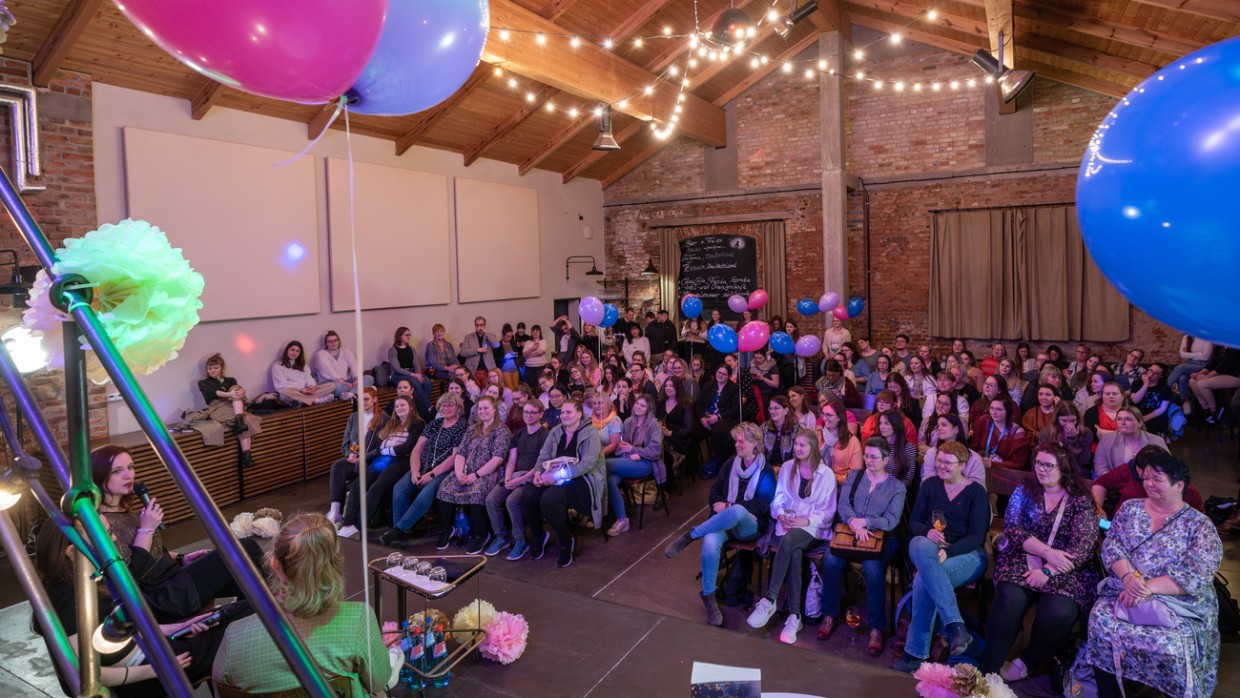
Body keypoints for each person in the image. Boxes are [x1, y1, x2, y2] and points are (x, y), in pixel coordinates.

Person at [36, 520, 242, 697]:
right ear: (72, 552)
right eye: (105, 534)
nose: (115, 539)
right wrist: (158, 668)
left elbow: (125, 631)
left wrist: (179, 628)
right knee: (238, 628)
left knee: (237, 614)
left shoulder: (91, 580)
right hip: (139, 677)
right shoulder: (70, 599)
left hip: (146, 654)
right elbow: (84, 674)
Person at [1081, 452, 1222, 698]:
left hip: (1177, 601)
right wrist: (1128, 579)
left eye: (1157, 479)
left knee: (1171, 643)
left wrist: (1145, 588)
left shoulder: (1199, 525)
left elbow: (1196, 574)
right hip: (1124, 588)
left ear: (1179, 485)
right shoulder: (1130, 509)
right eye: (1146, 478)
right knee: (1101, 623)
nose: (1148, 484)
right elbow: (1113, 545)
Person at [213, 514, 390, 696]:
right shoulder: (359, 619)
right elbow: (379, 680)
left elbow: (222, 689)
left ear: (274, 562)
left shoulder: (234, 636)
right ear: (335, 563)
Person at [92, 445, 265, 622]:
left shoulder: (125, 510)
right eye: (117, 471)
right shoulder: (103, 522)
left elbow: (154, 551)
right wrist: (147, 529)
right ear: (99, 477)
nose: (128, 475)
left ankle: (255, 622)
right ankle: (275, 612)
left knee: (245, 579)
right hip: (164, 595)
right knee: (246, 548)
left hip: (174, 577)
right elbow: (129, 575)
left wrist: (182, 558)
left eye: (130, 467)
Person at [981, 444, 1101, 681]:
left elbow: (1083, 547)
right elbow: (1013, 529)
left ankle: (1028, 662)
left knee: (1058, 612)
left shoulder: (1080, 499)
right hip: (1025, 557)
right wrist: (1047, 552)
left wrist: (1048, 569)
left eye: (1048, 465)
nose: (1041, 469)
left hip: (1067, 568)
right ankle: (989, 669)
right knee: (1008, 597)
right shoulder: (1025, 489)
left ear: (1063, 468)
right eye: (1038, 463)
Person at [891, 441, 990, 673]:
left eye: (948, 462)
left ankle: (914, 654)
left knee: (923, 579)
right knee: (917, 542)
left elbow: (977, 536)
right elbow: (914, 522)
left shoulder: (976, 493)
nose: (941, 466)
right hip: (930, 550)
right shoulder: (930, 485)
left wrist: (950, 551)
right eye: (939, 461)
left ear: (963, 465)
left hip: (967, 554)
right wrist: (928, 531)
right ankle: (956, 627)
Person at [664, 423, 777, 627]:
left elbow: (761, 506)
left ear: (756, 444)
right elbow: (713, 495)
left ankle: (692, 534)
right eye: (736, 439)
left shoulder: (766, 471)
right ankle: (710, 599)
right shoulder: (730, 465)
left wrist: (728, 505)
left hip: (749, 527)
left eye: (742, 440)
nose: (738, 443)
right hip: (724, 524)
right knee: (710, 540)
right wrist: (725, 505)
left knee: (737, 511)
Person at [747, 429, 837, 644]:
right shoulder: (788, 468)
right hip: (788, 525)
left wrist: (804, 521)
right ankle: (795, 617)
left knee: (790, 542)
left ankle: (769, 599)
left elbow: (828, 512)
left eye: (802, 445)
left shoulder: (827, 475)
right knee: (794, 552)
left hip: (814, 528)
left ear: (813, 448)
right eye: (796, 444)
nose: (797, 448)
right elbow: (778, 499)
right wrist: (780, 514)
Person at [818, 437, 906, 655]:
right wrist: (853, 523)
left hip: (882, 536)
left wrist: (866, 523)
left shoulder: (897, 487)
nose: (869, 460)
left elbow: (892, 519)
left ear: (886, 459)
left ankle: (876, 627)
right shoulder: (855, 476)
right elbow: (844, 504)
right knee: (830, 559)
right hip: (850, 531)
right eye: (866, 455)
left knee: (873, 568)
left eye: (874, 457)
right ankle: (829, 613)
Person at [380, 393, 470, 547]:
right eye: (443, 405)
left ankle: (398, 530)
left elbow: (454, 457)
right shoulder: (434, 424)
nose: (446, 408)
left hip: (444, 470)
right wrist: (415, 471)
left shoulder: (462, 426)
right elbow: (417, 450)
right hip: (423, 465)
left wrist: (432, 474)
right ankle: (399, 537)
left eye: (450, 405)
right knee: (400, 488)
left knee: (427, 492)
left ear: (459, 408)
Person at [527, 398, 606, 567]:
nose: (564, 415)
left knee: (550, 498)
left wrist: (557, 477)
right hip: (555, 476)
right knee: (529, 496)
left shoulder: (591, 433)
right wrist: (538, 473)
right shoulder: (555, 431)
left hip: (583, 480)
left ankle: (565, 542)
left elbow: (587, 464)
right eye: (562, 412)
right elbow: (544, 456)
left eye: (569, 412)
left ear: (579, 414)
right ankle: (539, 536)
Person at [336, 395, 425, 539]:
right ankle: (347, 523)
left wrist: (386, 450)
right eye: (397, 407)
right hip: (383, 459)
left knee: (377, 487)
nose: (399, 408)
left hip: (402, 461)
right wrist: (384, 451)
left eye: (402, 405)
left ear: (411, 407)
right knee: (357, 485)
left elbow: (408, 447)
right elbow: (378, 442)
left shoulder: (417, 423)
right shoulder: (392, 423)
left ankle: (358, 526)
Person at [436, 395, 512, 554]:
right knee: (445, 487)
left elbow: (497, 459)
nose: (482, 411)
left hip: (489, 473)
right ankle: (446, 529)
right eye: (480, 408)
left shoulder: (501, 430)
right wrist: (458, 473)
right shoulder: (472, 428)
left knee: (477, 491)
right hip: (466, 471)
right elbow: (461, 453)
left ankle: (481, 534)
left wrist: (476, 475)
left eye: (486, 408)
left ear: (494, 410)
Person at [483, 398, 550, 559]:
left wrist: (519, 480)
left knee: (512, 501)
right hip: (514, 475)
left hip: (532, 477)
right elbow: (512, 459)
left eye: (533, 412)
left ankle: (521, 540)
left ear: (540, 414)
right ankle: (502, 536)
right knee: (491, 499)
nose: (528, 415)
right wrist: (507, 478)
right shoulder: (519, 434)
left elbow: (540, 465)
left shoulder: (545, 435)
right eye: (526, 412)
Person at [325, 388, 388, 530]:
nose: (363, 402)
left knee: (363, 467)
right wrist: (349, 454)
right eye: (361, 399)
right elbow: (345, 443)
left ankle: (355, 516)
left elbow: (382, 447)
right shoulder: (353, 417)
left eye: (366, 399)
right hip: (355, 458)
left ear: (374, 399)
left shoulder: (384, 418)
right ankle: (335, 510)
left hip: (373, 461)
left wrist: (365, 457)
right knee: (338, 466)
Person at [604, 394, 664, 535]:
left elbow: (655, 451)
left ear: (649, 409)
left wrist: (636, 450)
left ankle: (595, 508)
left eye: (643, 406)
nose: (638, 407)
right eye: (637, 404)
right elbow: (620, 446)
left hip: (647, 463)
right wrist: (629, 453)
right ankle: (622, 520)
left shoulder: (653, 425)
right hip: (628, 460)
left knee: (604, 463)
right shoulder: (628, 422)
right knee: (610, 481)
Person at [196, 353, 261, 469]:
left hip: (232, 405)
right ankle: (246, 451)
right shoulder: (203, 383)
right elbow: (214, 393)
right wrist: (230, 394)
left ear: (222, 368)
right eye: (209, 368)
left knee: (236, 389)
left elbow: (236, 393)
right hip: (217, 407)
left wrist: (242, 391)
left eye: (215, 368)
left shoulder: (230, 380)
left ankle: (246, 453)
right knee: (246, 420)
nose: (212, 370)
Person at [1093, 406, 1168, 478]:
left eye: (1128, 419)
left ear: (1139, 423)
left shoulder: (1157, 441)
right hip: (1116, 486)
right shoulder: (1106, 440)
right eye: (1119, 419)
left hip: (1150, 485)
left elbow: (1167, 467)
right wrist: (1116, 482)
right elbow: (1100, 467)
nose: (1122, 422)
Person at [921, 414, 986, 487]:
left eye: (944, 425)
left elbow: (978, 488)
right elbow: (927, 482)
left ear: (956, 429)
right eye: (938, 426)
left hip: (966, 496)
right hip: (937, 495)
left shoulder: (974, 458)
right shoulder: (932, 453)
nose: (939, 428)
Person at [970, 396, 1030, 471]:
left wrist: (993, 464)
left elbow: (1018, 463)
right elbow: (973, 447)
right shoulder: (984, 420)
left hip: (1004, 471)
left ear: (1008, 411)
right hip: (980, 465)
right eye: (991, 408)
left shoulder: (1018, 433)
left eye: (999, 409)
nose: (994, 412)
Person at [697, 364, 741, 466]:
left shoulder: (734, 388)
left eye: (724, 374)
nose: (720, 375)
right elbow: (698, 405)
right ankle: (694, 465)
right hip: (707, 417)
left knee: (719, 432)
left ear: (729, 376)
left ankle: (721, 463)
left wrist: (718, 417)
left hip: (725, 418)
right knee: (693, 429)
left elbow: (735, 410)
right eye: (719, 372)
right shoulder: (708, 385)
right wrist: (702, 417)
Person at [1038, 401, 1094, 477]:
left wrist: (1073, 440)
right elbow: (1045, 458)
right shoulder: (1046, 433)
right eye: (1064, 420)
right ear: (1057, 419)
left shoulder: (1086, 433)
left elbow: (1084, 460)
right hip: (1053, 473)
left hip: (1078, 473)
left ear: (1077, 419)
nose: (1069, 424)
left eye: (1072, 421)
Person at [271, 340, 337, 406]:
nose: (294, 353)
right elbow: (282, 386)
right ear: (287, 350)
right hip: (293, 392)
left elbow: (309, 378)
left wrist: (312, 387)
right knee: (285, 393)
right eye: (292, 350)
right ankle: (317, 400)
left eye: (297, 351)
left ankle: (310, 400)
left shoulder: (303, 365)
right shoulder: (277, 365)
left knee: (332, 385)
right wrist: (300, 390)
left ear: (300, 353)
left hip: (306, 392)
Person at [1188, 345, 1240, 424]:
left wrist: (1207, 376)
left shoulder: (1234, 347)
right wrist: (1199, 374)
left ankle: (1214, 411)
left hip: (1234, 376)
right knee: (1192, 381)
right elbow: (1212, 363)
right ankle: (1206, 410)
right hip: (1220, 374)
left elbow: (1225, 366)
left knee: (1202, 384)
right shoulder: (1220, 346)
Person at [658, 377, 696, 484]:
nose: (668, 388)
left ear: (678, 388)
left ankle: (667, 480)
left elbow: (688, 429)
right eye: (666, 386)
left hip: (679, 438)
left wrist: (671, 433)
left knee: (663, 451)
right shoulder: (660, 403)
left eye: (671, 386)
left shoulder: (685, 405)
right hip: (662, 436)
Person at [314, 330, 371, 401]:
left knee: (369, 378)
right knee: (337, 387)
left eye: (335, 340)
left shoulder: (346, 351)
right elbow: (329, 371)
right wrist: (343, 382)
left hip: (348, 381)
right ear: (326, 343)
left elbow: (354, 365)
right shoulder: (321, 354)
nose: (333, 343)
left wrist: (357, 378)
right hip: (332, 383)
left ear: (338, 341)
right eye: (330, 341)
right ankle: (357, 391)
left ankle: (348, 394)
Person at [819, 399, 862, 483]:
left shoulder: (852, 442)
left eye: (829, 415)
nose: (824, 418)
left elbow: (855, 474)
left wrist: (834, 480)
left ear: (839, 417)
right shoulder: (817, 436)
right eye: (823, 414)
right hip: (818, 481)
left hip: (841, 486)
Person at [1167, 334, 1212, 411]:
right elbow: (1182, 355)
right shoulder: (1187, 337)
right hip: (1189, 364)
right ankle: (1186, 401)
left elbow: (1205, 357)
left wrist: (1189, 355)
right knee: (1182, 378)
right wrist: (1198, 354)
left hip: (1203, 366)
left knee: (1180, 368)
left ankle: (1165, 388)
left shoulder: (1207, 338)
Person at [460, 316, 498, 387]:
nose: (479, 327)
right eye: (477, 325)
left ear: (484, 325)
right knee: (475, 393)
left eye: (481, 325)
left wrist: (486, 334)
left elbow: (497, 345)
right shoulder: (468, 337)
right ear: (475, 325)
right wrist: (477, 350)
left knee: (487, 391)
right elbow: (463, 353)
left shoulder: (491, 336)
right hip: (473, 370)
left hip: (487, 369)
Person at [762, 395, 798, 467]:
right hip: (767, 469)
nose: (772, 411)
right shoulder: (764, 428)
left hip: (789, 470)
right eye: (770, 408)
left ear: (786, 410)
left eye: (776, 408)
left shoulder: (796, 430)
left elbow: (797, 457)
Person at [521, 324, 549, 391]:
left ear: (540, 332)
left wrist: (529, 355)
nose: (535, 332)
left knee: (540, 384)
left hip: (540, 366)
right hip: (529, 366)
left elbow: (540, 352)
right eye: (533, 331)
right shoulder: (528, 342)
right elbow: (524, 354)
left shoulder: (543, 341)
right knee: (530, 385)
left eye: (537, 331)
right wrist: (532, 348)